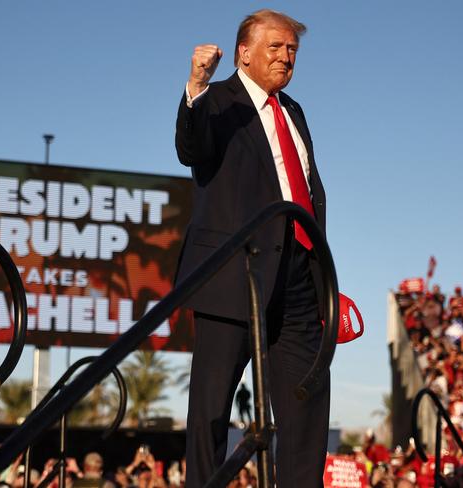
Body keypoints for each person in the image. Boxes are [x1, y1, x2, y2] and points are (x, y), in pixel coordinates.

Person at [174, 8, 331, 487]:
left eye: (292, 50)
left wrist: (323, 278)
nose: (287, 57)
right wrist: (196, 85)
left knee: (306, 409)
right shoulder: (218, 100)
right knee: (211, 410)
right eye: (276, 47)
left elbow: (308, 189)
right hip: (233, 276)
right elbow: (192, 150)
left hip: (300, 279)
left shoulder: (293, 111)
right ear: (244, 52)